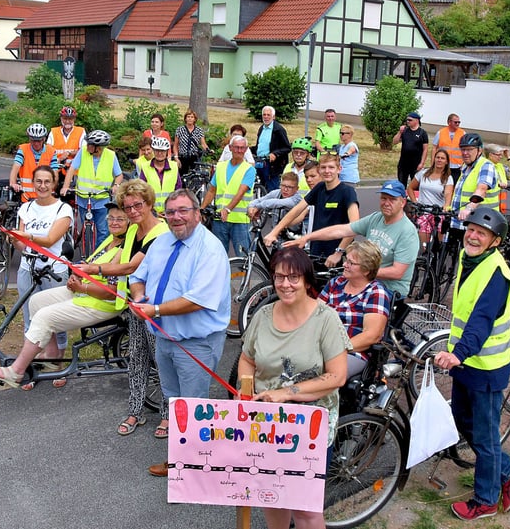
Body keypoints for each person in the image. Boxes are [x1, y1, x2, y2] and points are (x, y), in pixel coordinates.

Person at [237, 246, 349, 529]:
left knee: (305, 510)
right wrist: (245, 389)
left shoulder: (326, 319)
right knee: (272, 498)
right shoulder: (263, 315)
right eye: (279, 277)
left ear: (307, 281)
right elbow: (247, 359)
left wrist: (285, 393)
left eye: (293, 277)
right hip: (266, 426)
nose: (285, 284)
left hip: (309, 430)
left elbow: (337, 377)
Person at [433, 207, 510, 520]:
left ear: (495, 241)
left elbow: (481, 320)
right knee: (463, 420)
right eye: (471, 230)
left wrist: (457, 354)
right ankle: (509, 471)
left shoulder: (496, 273)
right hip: (466, 362)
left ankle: (485, 500)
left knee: (486, 438)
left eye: (481, 233)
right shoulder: (468, 258)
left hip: (486, 367)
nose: (473, 236)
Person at [131, 189, 231, 476]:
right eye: (171, 212)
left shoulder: (210, 249)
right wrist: (138, 297)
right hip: (164, 338)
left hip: (196, 342)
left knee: (194, 406)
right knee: (175, 402)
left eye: (183, 210)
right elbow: (137, 277)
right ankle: (184, 460)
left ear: (198, 214)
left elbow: (198, 300)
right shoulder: (162, 243)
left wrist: (155, 310)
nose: (176, 217)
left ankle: (194, 468)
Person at [0, 204, 131, 389]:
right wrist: (77, 274)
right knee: (36, 301)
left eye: (120, 219)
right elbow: (91, 264)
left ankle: (17, 371)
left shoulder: (125, 249)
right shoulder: (111, 239)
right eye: (111, 218)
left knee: (44, 317)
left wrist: (82, 287)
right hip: (85, 293)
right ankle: (53, 358)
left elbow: (111, 291)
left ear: (129, 222)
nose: (114, 222)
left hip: (102, 303)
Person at [89, 180, 169, 437]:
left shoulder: (162, 231)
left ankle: (168, 415)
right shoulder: (133, 230)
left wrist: (93, 269)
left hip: (156, 307)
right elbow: (122, 263)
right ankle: (135, 410)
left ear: (149, 203)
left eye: (138, 205)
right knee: (136, 357)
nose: (133, 211)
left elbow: (132, 266)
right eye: (128, 207)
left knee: (160, 360)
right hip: (135, 304)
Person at [285, 179, 416, 297]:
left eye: (392, 199)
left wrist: (360, 271)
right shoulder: (376, 218)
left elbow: (397, 272)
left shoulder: (407, 232)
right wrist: (307, 237)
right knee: (328, 293)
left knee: (343, 306)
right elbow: (341, 230)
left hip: (389, 290)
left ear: (403, 202)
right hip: (365, 282)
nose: (386, 203)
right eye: (383, 198)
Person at [13, 167, 73, 355]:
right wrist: (14, 240)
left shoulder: (63, 209)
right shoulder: (26, 208)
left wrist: (28, 236)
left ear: (54, 184)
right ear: (33, 183)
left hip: (53, 272)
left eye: (47, 181)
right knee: (30, 317)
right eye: (38, 181)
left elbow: (50, 240)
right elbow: (21, 245)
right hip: (27, 269)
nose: (42, 186)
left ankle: (58, 360)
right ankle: (33, 359)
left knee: (56, 318)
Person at [265, 154, 359, 266]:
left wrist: (338, 252)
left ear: (339, 169)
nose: (327, 171)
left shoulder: (347, 191)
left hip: (336, 256)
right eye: (323, 167)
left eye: (331, 167)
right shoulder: (319, 188)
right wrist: (274, 232)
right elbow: (297, 210)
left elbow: (355, 226)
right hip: (316, 251)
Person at [318, 240, 390, 378]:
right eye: (346, 260)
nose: (345, 264)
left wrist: (336, 349)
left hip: (352, 352)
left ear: (366, 270)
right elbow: (314, 314)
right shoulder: (336, 283)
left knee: (314, 373)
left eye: (351, 263)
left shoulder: (376, 292)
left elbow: (371, 335)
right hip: (320, 345)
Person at [62, 129, 124, 243]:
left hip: (102, 200)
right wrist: (65, 186)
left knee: (103, 231)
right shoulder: (83, 152)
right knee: (85, 229)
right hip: (83, 198)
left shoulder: (111, 155)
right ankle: (86, 251)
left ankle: (99, 253)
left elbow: (119, 175)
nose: (87, 146)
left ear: (98, 147)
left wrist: (116, 185)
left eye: (90, 144)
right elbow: (72, 169)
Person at [201, 135, 256, 255]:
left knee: (242, 256)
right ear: (230, 148)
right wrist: (201, 209)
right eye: (236, 147)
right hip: (219, 218)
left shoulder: (249, 170)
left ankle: (243, 269)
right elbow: (211, 191)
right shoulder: (221, 167)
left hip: (239, 220)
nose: (239, 150)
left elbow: (241, 193)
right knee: (218, 255)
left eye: (242, 148)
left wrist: (227, 209)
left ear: (246, 149)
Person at [451, 133, 500, 243]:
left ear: (479, 150)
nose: (465, 153)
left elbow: (481, 189)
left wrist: (468, 208)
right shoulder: (466, 167)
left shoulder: (486, 166)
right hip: (462, 222)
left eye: (469, 149)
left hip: (480, 224)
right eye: (463, 149)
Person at [408, 149, 454, 245]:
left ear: (446, 162)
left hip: (438, 212)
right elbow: (410, 188)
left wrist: (446, 205)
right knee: (424, 245)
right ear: (434, 159)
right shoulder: (423, 173)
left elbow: (448, 194)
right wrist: (415, 203)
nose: (439, 160)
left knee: (439, 244)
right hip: (424, 211)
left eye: (442, 158)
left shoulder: (448, 178)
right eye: (438, 157)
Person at [10, 123, 59, 203]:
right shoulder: (23, 149)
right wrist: (13, 183)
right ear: (29, 139)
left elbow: (55, 172)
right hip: (26, 197)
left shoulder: (51, 151)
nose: (36, 143)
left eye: (39, 140)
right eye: (33, 140)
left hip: (45, 196)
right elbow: (16, 167)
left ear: (44, 139)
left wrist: (53, 186)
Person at [48, 106, 87, 199]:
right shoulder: (54, 131)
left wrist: (69, 153)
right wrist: (58, 159)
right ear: (61, 118)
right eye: (65, 118)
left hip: (74, 169)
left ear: (74, 119)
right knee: (52, 181)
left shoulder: (81, 131)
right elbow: (48, 150)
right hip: (58, 166)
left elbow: (84, 150)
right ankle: (51, 198)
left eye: (70, 119)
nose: (67, 121)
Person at [137, 136, 182, 215]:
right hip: (151, 212)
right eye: (157, 150)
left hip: (170, 211)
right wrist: (151, 210)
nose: (160, 153)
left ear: (167, 152)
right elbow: (141, 191)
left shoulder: (174, 166)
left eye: (162, 151)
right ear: (153, 151)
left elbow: (178, 190)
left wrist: (172, 208)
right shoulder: (145, 167)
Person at [254, 105, 291, 191]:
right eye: (264, 115)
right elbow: (259, 146)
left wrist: (275, 154)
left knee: (272, 189)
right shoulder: (261, 128)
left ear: (273, 117)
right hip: (260, 162)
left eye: (268, 115)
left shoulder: (278, 130)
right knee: (260, 187)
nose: (266, 117)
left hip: (272, 165)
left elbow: (287, 147)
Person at [393, 111, 429, 186]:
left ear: (417, 120)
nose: (408, 121)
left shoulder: (422, 133)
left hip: (416, 164)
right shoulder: (405, 131)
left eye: (410, 120)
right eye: (407, 120)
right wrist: (400, 132)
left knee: (415, 186)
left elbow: (425, 149)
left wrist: (422, 163)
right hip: (403, 164)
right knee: (401, 185)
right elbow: (394, 142)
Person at [172, 109, 209, 177]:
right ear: (185, 119)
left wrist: (208, 150)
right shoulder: (180, 130)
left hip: (194, 157)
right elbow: (176, 145)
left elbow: (203, 143)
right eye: (188, 117)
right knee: (182, 176)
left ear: (194, 119)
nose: (190, 118)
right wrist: (176, 157)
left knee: (194, 176)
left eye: (192, 117)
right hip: (183, 157)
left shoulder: (199, 130)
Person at [483, 144, 510, 214]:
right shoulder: (484, 167)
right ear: (490, 155)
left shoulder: (500, 166)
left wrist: (508, 157)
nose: (501, 157)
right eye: (498, 155)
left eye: (501, 155)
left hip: (499, 208)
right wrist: (498, 184)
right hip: (487, 208)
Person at [433, 113, 466, 182]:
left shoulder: (463, 134)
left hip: (457, 167)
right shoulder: (440, 133)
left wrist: (464, 163)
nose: (457, 124)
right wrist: (433, 163)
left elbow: (466, 149)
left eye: (459, 122)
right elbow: (434, 148)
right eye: (455, 122)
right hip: (443, 165)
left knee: (454, 185)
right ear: (449, 122)